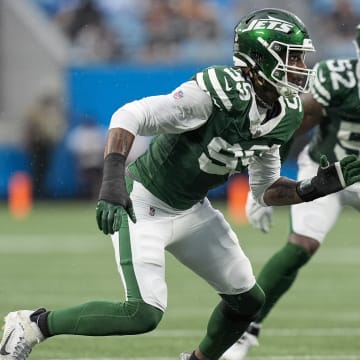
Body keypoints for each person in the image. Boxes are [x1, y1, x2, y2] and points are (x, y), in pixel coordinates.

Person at [2, 8, 360, 360]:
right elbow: (130, 115)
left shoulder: (288, 112)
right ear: (261, 58)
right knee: (142, 313)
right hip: (143, 202)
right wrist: (112, 180)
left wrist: (316, 187)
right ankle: (33, 324)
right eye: (292, 56)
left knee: (249, 300)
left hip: (192, 209)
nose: (300, 66)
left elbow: (264, 188)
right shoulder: (219, 91)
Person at [222, 23, 360, 360]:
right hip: (325, 169)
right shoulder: (339, 78)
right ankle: (245, 328)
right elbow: (294, 127)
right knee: (302, 244)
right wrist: (264, 184)